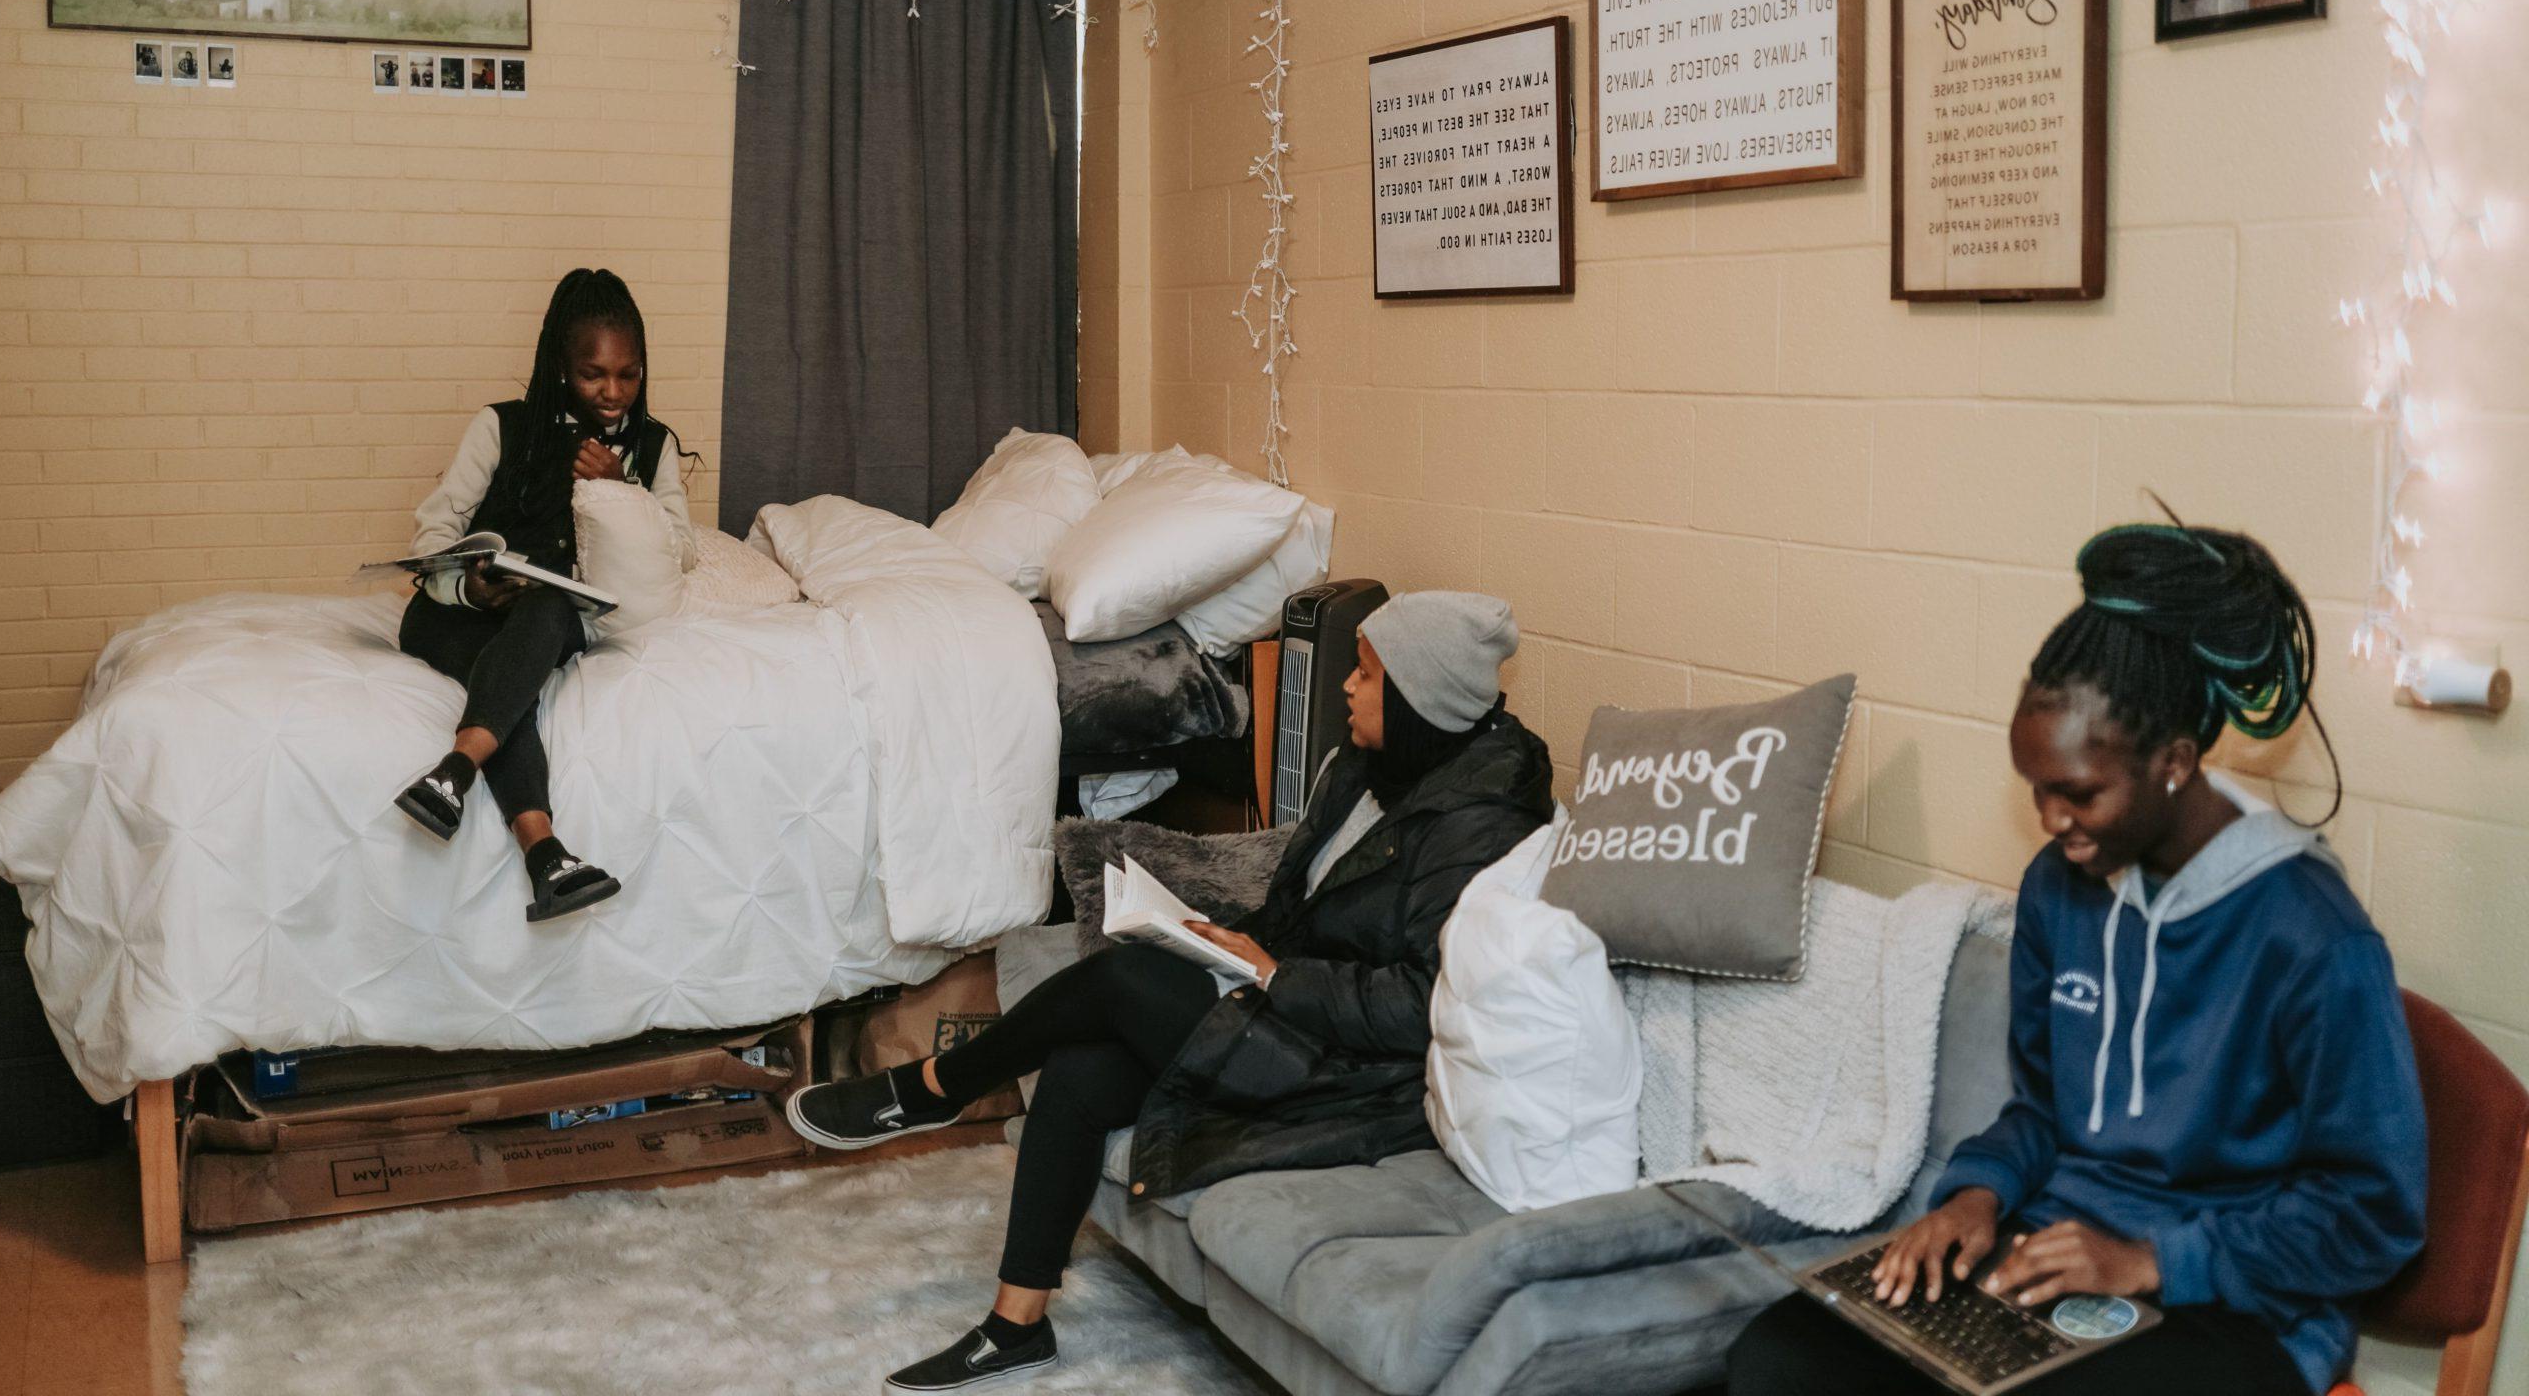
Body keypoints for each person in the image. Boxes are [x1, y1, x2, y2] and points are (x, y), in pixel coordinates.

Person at [786, 592, 1554, 1392]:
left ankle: (936, 1087)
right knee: (1082, 1068)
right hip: (1290, 1017)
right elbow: (1303, 911)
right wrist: (1214, 935)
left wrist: (1272, 972)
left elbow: (1418, 1006)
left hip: (1357, 1077)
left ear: (1418, 694)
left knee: (1120, 979)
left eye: (1366, 673)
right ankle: (1016, 1327)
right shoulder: (1366, 771)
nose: (1347, 689)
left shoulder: (1481, 829)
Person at [1726, 522, 2428, 1396]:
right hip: (2054, 1251)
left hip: (2238, 1306)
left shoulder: (2313, 935)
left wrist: (2151, 1261)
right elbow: (2043, 1113)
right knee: (1781, 1360)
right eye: (2037, 790)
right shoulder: (2059, 892)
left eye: (2080, 793)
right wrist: (1974, 1196)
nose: (2052, 821)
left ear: (2174, 762)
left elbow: (2373, 1214)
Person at [391, 268, 696, 923]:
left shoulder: (652, 445)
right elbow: (436, 529)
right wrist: (468, 585)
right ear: (562, 368)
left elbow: (680, 551)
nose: (614, 392)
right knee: (511, 680)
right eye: (594, 374)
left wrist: (622, 488)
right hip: (456, 615)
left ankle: (467, 782)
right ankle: (543, 854)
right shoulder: (502, 426)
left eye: (629, 374)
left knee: (544, 621)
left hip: (548, 618)